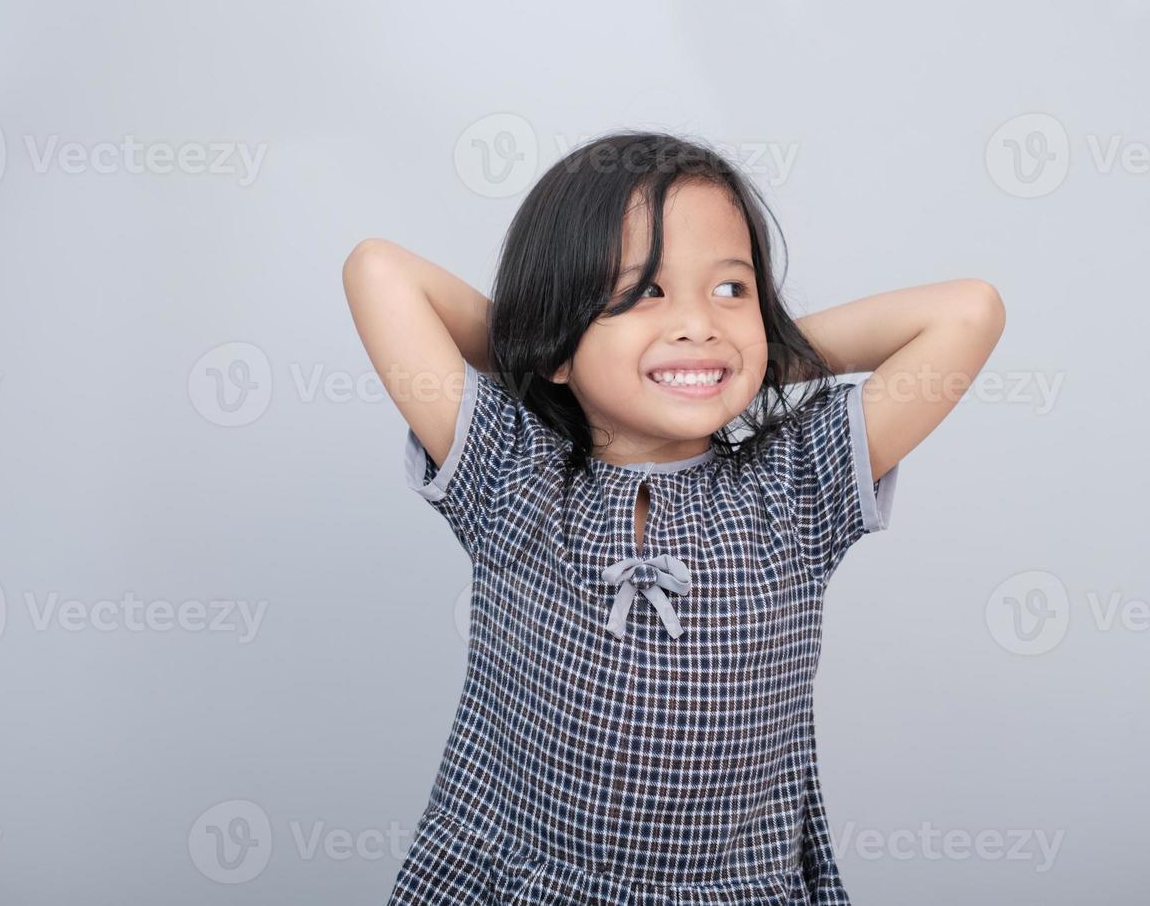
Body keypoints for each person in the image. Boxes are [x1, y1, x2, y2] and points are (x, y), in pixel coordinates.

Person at [342, 131, 1005, 904]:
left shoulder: (794, 488)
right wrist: (548, 350)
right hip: (523, 884)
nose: (699, 322)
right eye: (646, 292)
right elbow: (379, 273)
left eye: (731, 291)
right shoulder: (512, 474)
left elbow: (969, 313)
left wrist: (761, 355)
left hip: (733, 889)